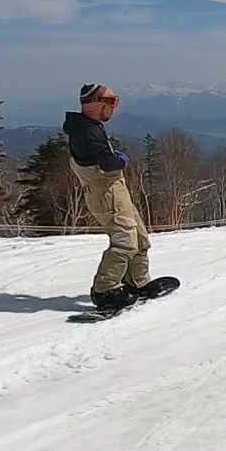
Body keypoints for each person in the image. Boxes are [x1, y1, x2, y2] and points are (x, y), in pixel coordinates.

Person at [65, 83, 175, 312]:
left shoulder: (88, 126)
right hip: (106, 195)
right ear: (95, 104)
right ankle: (104, 290)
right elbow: (107, 162)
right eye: (110, 101)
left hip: (114, 191)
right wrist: (122, 160)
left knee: (139, 237)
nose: (114, 107)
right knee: (124, 242)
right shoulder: (86, 131)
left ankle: (137, 282)